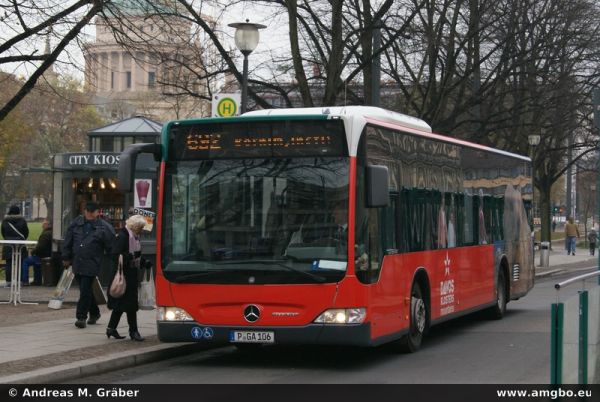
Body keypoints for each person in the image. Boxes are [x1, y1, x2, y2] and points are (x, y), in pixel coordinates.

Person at [62, 201, 115, 329]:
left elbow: (111, 246)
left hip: (92, 262)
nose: (90, 214)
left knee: (85, 289)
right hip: (77, 262)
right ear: (85, 211)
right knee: (85, 289)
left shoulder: (104, 227)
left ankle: (81, 317)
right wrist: (66, 257)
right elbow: (68, 241)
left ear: (98, 212)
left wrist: (115, 259)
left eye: (93, 211)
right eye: (88, 211)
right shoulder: (76, 224)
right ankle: (95, 312)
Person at [106, 214, 148, 341]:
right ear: (135, 227)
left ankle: (111, 328)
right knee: (130, 305)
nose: (142, 230)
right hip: (124, 276)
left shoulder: (134, 237)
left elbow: (136, 256)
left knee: (122, 304)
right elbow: (114, 255)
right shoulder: (124, 237)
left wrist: (143, 262)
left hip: (130, 275)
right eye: (140, 228)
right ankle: (133, 332)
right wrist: (131, 256)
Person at [1, 205, 29, 287]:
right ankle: (19, 281)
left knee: (9, 264)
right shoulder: (23, 220)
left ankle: (8, 282)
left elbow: (3, 232)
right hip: (20, 244)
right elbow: (26, 232)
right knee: (19, 263)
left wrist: (8, 239)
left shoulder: (5, 221)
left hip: (8, 245)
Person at [21, 220, 52, 285]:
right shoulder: (51, 233)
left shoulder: (45, 234)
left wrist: (33, 252)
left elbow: (40, 247)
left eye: (44, 224)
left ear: (48, 225)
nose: (42, 225)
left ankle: (25, 281)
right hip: (47, 255)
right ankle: (37, 281)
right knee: (36, 262)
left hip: (42, 256)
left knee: (25, 261)